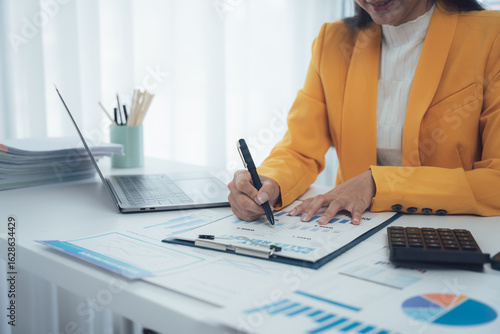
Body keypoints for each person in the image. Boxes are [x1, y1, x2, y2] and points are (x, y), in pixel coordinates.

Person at [228, 0, 500, 225]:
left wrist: (378, 184)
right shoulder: (333, 42)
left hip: (450, 235)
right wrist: (269, 182)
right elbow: (299, 150)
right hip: (351, 232)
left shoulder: (491, 35)